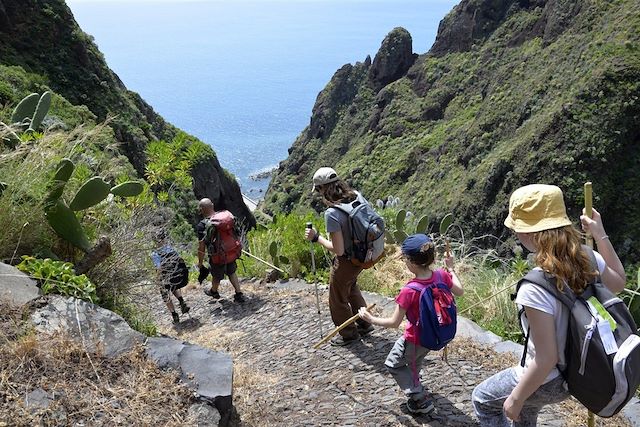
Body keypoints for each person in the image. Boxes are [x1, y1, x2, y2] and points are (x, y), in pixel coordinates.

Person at [472, 184, 626, 426]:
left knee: (482, 399)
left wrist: (515, 397)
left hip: (549, 379)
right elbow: (618, 282)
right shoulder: (587, 257)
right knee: (525, 413)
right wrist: (599, 233)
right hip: (577, 373)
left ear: (529, 235)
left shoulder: (534, 286)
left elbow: (546, 358)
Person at [359, 233, 464, 415]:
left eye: (405, 259)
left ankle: (420, 398)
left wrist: (370, 319)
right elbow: (460, 291)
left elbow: (394, 322)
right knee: (415, 361)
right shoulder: (441, 275)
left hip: (415, 338)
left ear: (411, 263)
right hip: (433, 336)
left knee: (394, 364)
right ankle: (416, 384)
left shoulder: (409, 290)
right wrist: (451, 268)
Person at [304, 167, 374, 346]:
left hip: (347, 261)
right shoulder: (357, 196)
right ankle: (365, 323)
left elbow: (338, 250)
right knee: (351, 288)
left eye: (318, 190)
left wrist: (316, 238)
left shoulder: (332, 213)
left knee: (337, 297)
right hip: (365, 254)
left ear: (322, 189)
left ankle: (349, 334)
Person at [196, 198, 245, 303]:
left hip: (217, 255)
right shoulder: (224, 217)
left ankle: (213, 291)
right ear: (212, 205)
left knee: (216, 275)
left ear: (201, 210)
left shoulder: (202, 225)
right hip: (231, 250)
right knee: (232, 272)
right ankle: (239, 293)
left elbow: (201, 246)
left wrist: (200, 262)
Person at [151, 230, 190, 324]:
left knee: (165, 294)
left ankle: (174, 315)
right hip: (176, 277)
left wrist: (157, 280)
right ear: (164, 239)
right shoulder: (170, 249)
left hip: (166, 278)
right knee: (173, 286)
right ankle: (181, 301)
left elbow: (159, 268)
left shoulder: (155, 253)